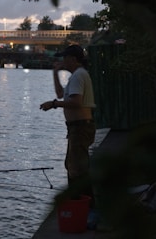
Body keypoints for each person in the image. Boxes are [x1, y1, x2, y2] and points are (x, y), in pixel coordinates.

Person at [40, 44, 96, 199]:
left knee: (77, 169)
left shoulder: (79, 75)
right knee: (72, 165)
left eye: (65, 57)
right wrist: (55, 73)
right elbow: (60, 94)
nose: (63, 60)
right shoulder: (76, 76)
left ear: (73, 59)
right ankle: (80, 203)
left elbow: (76, 102)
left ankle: (85, 205)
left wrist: (53, 104)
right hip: (76, 128)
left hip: (80, 127)